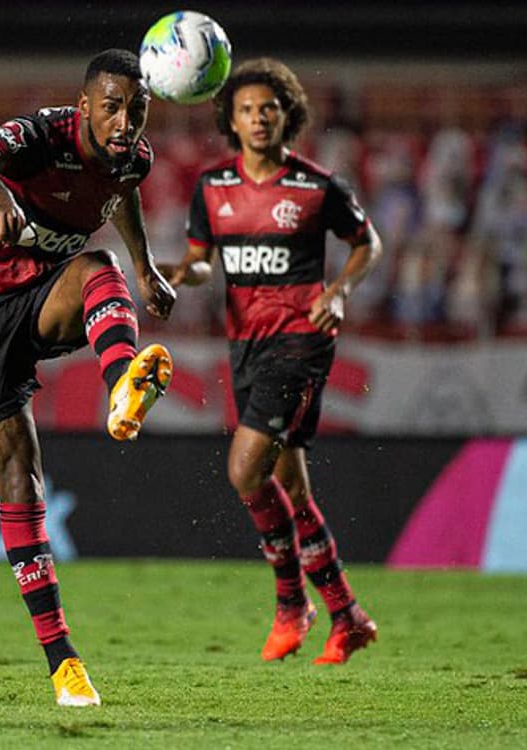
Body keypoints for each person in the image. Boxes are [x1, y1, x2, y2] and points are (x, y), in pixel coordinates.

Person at [0, 48, 177, 706]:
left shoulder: (134, 157)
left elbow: (118, 195)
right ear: (87, 103)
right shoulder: (43, 135)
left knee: (101, 268)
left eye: (138, 109)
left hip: (47, 297)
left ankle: (123, 384)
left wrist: (147, 268)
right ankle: (62, 660)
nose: (126, 121)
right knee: (20, 476)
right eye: (114, 107)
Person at [162, 58, 383, 664]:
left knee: (244, 471)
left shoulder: (317, 186)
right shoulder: (213, 188)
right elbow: (205, 258)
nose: (258, 118)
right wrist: (187, 272)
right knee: (289, 484)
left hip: (300, 341)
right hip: (245, 345)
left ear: (288, 115)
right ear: (230, 121)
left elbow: (368, 244)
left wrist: (337, 292)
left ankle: (292, 602)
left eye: (269, 108)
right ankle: (346, 613)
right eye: (246, 110)